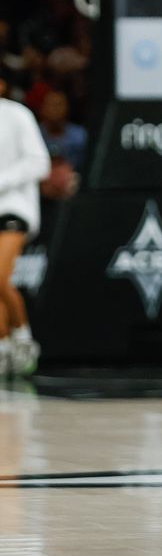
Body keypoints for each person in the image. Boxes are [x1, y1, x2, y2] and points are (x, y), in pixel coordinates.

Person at [0, 68, 50, 376]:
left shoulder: (18, 115)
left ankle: (24, 339)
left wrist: (2, 181)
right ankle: (4, 346)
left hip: (14, 209)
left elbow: (39, 163)